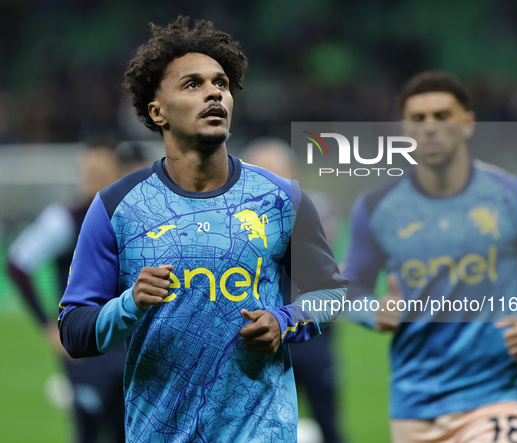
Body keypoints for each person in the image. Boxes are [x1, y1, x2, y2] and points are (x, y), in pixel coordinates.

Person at [58, 16, 347, 442]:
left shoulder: (282, 198)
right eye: (192, 84)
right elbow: (74, 329)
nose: (214, 92)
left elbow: (331, 293)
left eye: (222, 83)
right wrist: (129, 304)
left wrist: (284, 321)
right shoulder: (115, 207)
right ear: (157, 111)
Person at [343, 71, 517, 442]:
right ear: (404, 130)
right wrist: (371, 310)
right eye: (419, 119)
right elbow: (349, 286)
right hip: (415, 406)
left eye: (442, 116)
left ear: (468, 124)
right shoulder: (377, 208)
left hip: (498, 398)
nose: (430, 128)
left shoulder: (514, 197)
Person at [7, 139, 148, 443]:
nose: (90, 179)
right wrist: (48, 326)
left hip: (127, 344)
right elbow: (18, 264)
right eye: (86, 171)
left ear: (117, 171)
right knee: (90, 432)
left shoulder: (133, 216)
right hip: (87, 344)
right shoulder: (66, 219)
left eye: (98, 171)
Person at [241, 137, 343, 443]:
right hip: (258, 335)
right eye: (262, 171)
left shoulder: (310, 209)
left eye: (277, 171)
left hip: (310, 333)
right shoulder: (238, 222)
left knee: (328, 419)